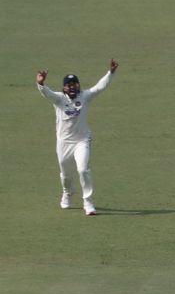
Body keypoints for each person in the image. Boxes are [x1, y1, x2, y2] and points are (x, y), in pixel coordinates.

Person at [35, 59, 119, 215]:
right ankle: (68, 192)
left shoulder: (85, 96)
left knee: (83, 170)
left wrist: (111, 73)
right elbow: (47, 93)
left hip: (82, 141)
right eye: (68, 85)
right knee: (66, 174)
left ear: (78, 86)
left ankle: (88, 202)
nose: (72, 87)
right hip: (64, 142)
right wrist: (41, 84)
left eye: (74, 84)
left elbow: (99, 87)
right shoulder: (59, 99)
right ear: (64, 87)